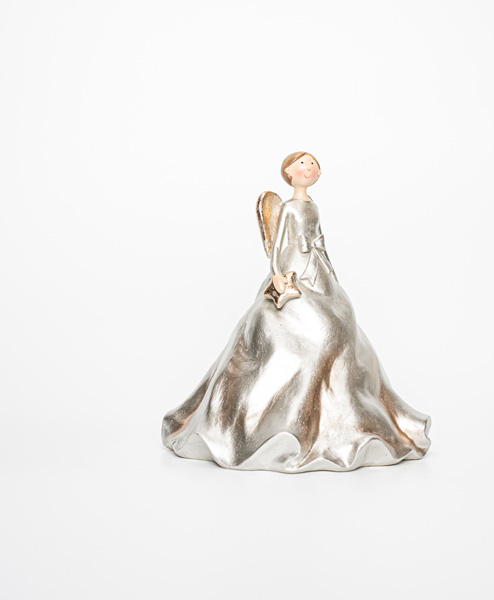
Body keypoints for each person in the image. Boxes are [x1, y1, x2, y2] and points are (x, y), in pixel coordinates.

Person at [161, 152, 431, 473]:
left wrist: (330, 272)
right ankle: (273, 421)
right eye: (303, 163)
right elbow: (277, 245)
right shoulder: (288, 208)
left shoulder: (312, 206)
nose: (310, 168)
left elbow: (320, 242)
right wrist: (277, 273)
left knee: (340, 320)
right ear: (289, 172)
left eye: (314, 165)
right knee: (299, 326)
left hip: (316, 269)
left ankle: (341, 414)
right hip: (293, 269)